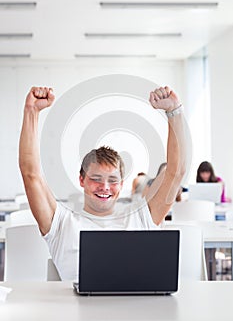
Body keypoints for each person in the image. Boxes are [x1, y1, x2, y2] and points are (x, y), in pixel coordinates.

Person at [19, 86, 186, 281]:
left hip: (135, 309)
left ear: (121, 184)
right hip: (76, 311)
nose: (105, 187)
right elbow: (31, 174)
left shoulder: (140, 219)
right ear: (82, 180)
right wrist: (31, 112)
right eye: (96, 179)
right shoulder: (61, 223)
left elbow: (176, 172)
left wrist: (174, 112)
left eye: (112, 180)